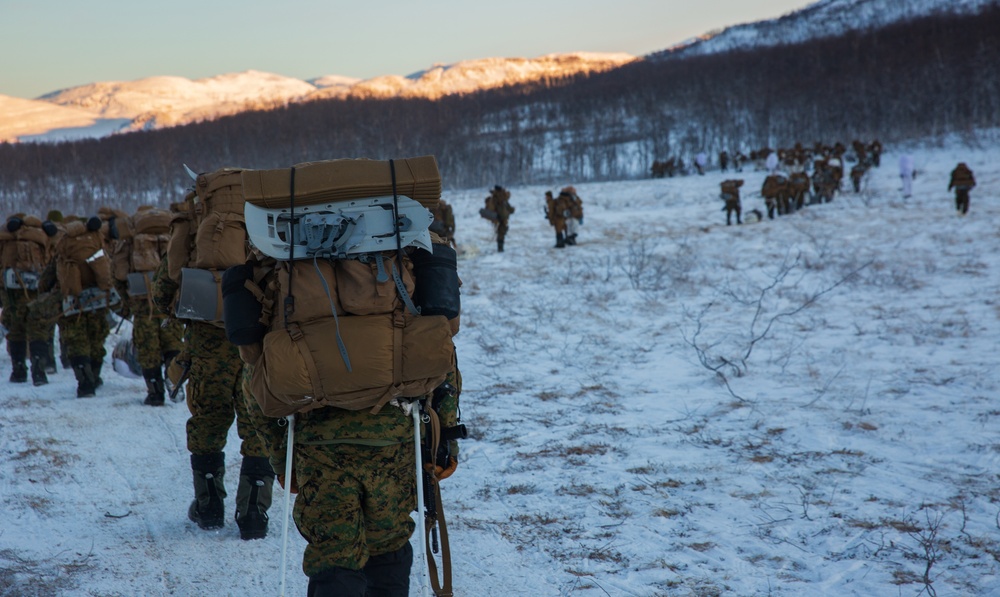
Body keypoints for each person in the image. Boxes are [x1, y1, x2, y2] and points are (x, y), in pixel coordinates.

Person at [153, 175, 274, 540]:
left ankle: (209, 508)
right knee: (258, 425)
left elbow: (162, 291)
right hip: (256, 343)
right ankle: (253, 513)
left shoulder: (194, 226)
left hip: (208, 344)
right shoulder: (264, 218)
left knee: (208, 422)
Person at [111, 205, 184, 406]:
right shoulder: (173, 236)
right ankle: (175, 379)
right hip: (171, 304)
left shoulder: (131, 241)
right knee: (173, 344)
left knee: (148, 350)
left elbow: (118, 275)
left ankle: (155, 394)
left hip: (143, 306)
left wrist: (127, 302)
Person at [1, 214, 58, 385]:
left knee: (16, 329)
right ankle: (39, 371)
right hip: (36, 290)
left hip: (12, 291)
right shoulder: (42, 237)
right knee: (38, 329)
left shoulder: (6, 239)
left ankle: (18, 370)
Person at [481, 185, 514, 252]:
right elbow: (509, 209)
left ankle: (500, 248)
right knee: (501, 233)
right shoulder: (502, 198)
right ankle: (500, 249)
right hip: (502, 218)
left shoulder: (495, 198)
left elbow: (491, 208)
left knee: (500, 233)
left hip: (498, 218)